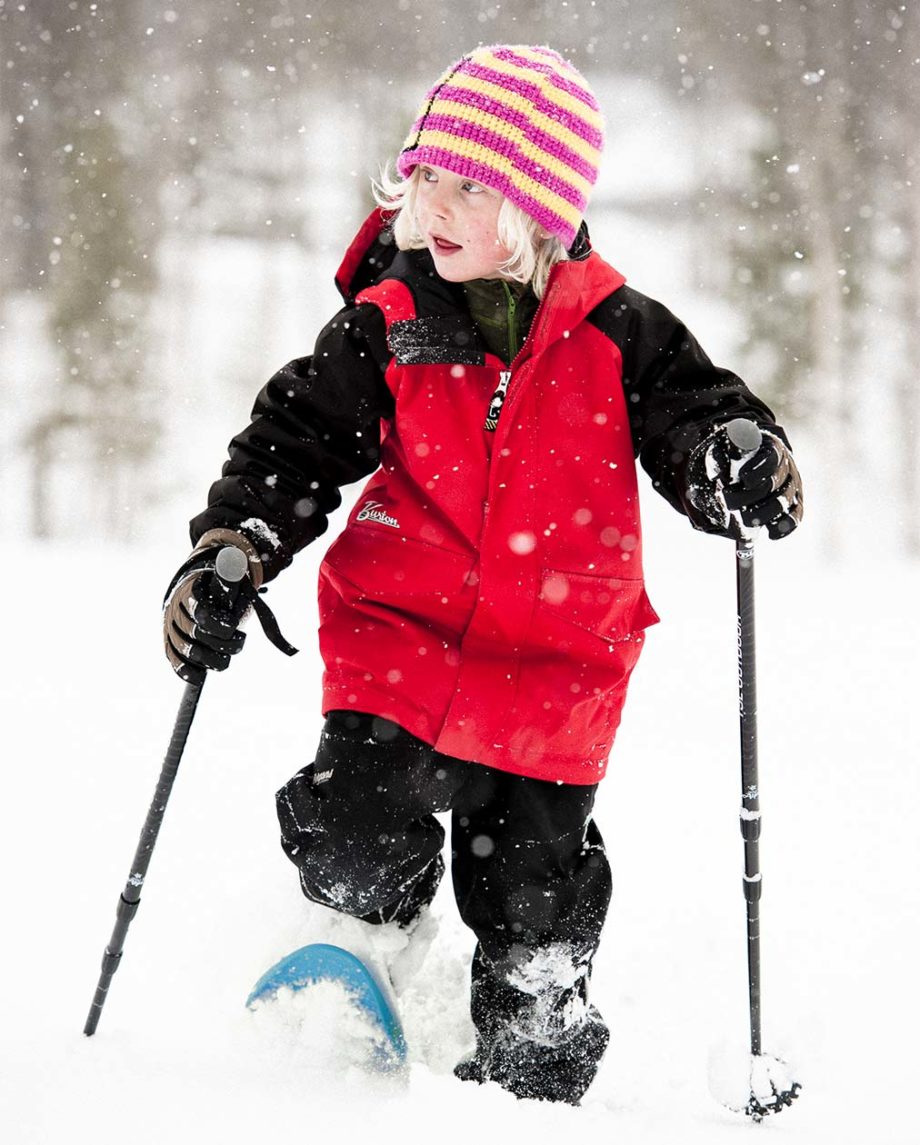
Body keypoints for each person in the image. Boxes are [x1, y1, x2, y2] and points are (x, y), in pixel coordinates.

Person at [162, 45, 803, 1104]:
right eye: (427, 177)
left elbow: (697, 416)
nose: (437, 205)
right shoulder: (391, 318)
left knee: (534, 898)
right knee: (357, 813)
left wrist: (732, 456)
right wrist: (234, 544)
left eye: (472, 185)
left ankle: (531, 1040)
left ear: (539, 206)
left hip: (556, 667)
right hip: (398, 635)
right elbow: (294, 442)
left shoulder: (619, 332)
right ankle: (353, 953)